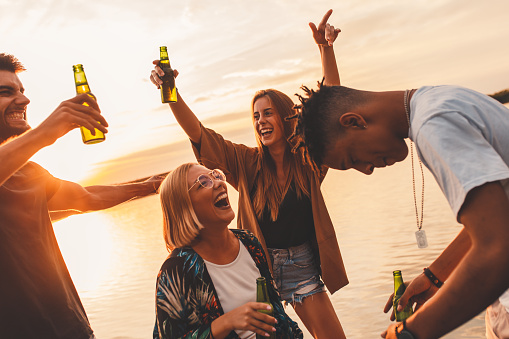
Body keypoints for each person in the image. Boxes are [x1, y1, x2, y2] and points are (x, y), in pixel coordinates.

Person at [150, 10, 348, 338]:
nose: (260, 121)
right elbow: (199, 133)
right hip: (257, 268)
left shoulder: (308, 160)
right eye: (256, 116)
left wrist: (326, 48)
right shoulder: (246, 163)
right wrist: (171, 92)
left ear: (286, 117)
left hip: (302, 267)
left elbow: (329, 110)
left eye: (268, 113)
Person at [292, 82, 509, 338]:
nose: (366, 170)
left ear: (354, 122)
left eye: (353, 159)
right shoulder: (438, 102)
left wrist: (410, 331)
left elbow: (496, 247)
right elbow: (497, 221)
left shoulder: (433, 124)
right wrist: (433, 276)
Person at [0, 53, 164, 339]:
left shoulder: (29, 173)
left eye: (23, 92)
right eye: (6, 92)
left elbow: (86, 197)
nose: (25, 101)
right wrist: (44, 133)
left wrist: (150, 185)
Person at [153, 162, 303, 339]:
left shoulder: (248, 241)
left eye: (216, 175)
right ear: (184, 207)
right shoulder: (176, 270)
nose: (218, 183)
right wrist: (224, 323)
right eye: (203, 182)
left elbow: (275, 307)